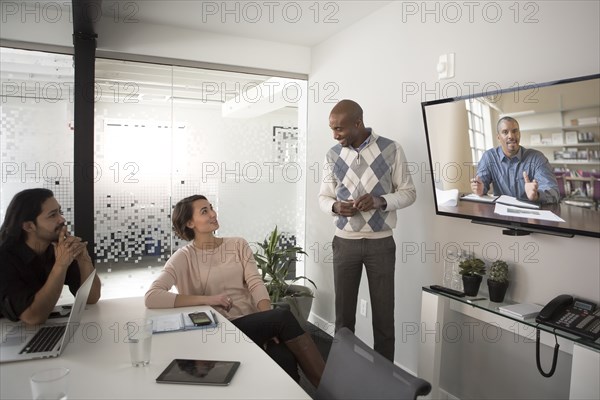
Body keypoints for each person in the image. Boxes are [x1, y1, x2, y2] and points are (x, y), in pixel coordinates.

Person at [145, 195, 324, 387]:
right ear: (190, 223)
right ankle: (329, 388)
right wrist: (208, 300)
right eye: (204, 211)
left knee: (283, 357)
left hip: (252, 323)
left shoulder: (237, 244)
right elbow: (152, 297)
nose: (213, 214)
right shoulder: (183, 257)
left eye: (211, 208)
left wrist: (268, 323)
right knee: (283, 316)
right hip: (221, 329)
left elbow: (256, 284)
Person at [318, 99, 417, 361]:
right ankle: (342, 375)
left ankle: (384, 382)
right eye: (332, 129)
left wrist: (380, 201)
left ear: (357, 123)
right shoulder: (332, 155)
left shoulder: (392, 149)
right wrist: (337, 207)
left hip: (381, 245)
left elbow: (409, 193)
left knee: (384, 321)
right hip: (344, 243)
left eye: (339, 129)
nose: (335, 135)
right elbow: (323, 198)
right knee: (343, 321)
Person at [0, 188, 101, 325]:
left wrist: (84, 259)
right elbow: (33, 317)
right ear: (29, 226)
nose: (62, 219)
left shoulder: (55, 249)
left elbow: (91, 298)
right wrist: (61, 265)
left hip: (29, 330)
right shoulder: (5, 258)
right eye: (53, 215)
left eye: (60, 212)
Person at [471, 116, 560, 204]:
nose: (511, 136)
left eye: (514, 131)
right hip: (499, 214)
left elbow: (553, 191)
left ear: (519, 134)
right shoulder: (489, 157)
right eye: (505, 132)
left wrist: (537, 195)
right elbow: (482, 183)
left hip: (530, 213)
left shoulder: (537, 158)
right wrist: (480, 189)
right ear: (498, 137)